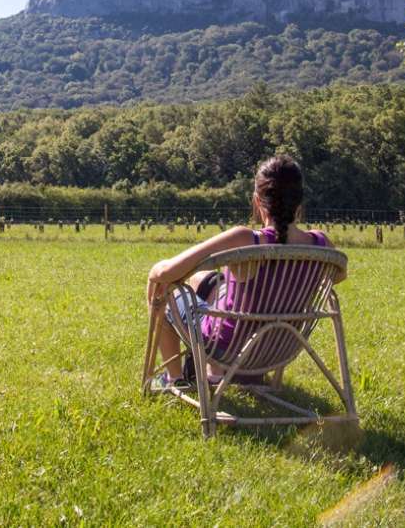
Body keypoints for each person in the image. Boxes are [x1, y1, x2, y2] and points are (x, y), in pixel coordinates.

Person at [146, 154, 344, 390]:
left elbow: (167, 272)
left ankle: (175, 379)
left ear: (257, 201)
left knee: (162, 288)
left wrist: (156, 268)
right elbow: (339, 276)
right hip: (280, 348)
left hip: (227, 348)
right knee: (205, 280)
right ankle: (215, 374)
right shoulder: (321, 243)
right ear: (299, 203)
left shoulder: (245, 239)